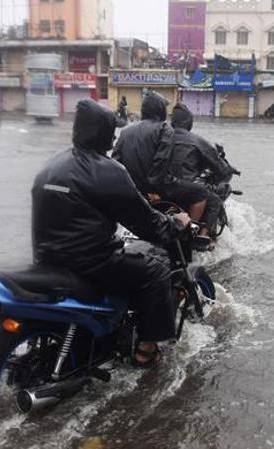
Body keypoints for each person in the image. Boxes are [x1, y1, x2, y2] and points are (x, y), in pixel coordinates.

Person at [32, 99, 191, 367]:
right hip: (91, 264)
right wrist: (177, 223)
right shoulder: (107, 171)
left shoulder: (51, 165)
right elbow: (149, 225)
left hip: (46, 260)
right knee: (157, 268)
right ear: (104, 133)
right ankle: (146, 349)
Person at [113, 92, 212, 244]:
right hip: (160, 187)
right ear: (159, 110)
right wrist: (153, 189)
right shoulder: (164, 129)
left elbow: (116, 163)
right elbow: (161, 161)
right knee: (202, 193)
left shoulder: (126, 132)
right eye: (165, 107)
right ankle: (190, 233)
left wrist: (133, 190)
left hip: (133, 190)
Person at [169, 103, 234, 244]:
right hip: (186, 191)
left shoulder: (160, 138)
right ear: (189, 122)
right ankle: (201, 235)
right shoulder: (197, 141)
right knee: (215, 201)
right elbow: (222, 170)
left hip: (161, 188)